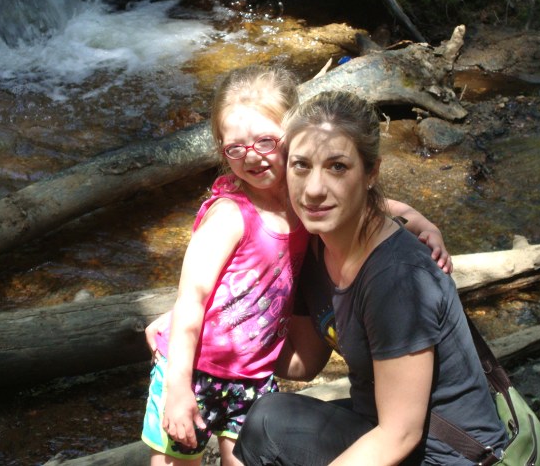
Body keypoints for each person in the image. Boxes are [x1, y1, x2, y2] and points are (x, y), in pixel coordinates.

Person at [142, 66, 453, 466]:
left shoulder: (301, 197)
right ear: (221, 149)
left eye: (265, 141)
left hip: (252, 373)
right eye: (235, 148)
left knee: (247, 453)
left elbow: (369, 201)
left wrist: (421, 222)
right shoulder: (229, 216)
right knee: (176, 456)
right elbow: (194, 297)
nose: (252, 156)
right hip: (196, 369)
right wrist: (177, 389)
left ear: (291, 137)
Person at [233, 90, 508, 465]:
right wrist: (214, 339)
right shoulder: (316, 244)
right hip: (378, 424)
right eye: (301, 165)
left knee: (269, 426)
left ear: (371, 172)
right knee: (268, 421)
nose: (314, 189)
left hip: (448, 456)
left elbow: (400, 434)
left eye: (337, 167)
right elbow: (305, 362)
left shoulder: (396, 279)